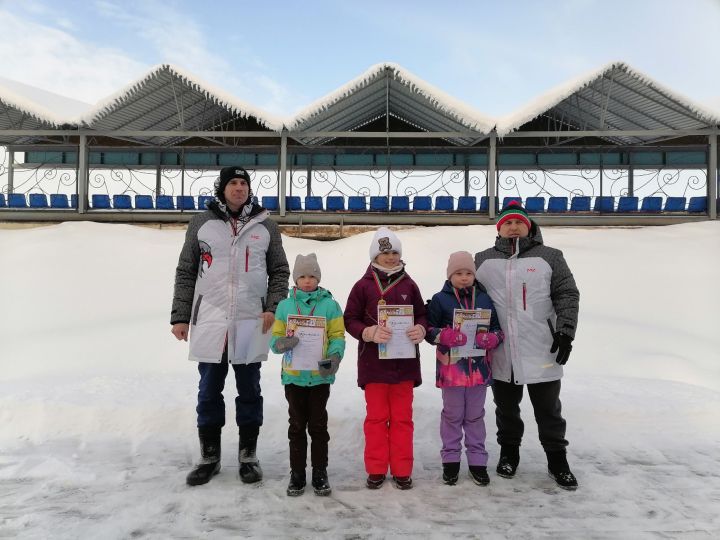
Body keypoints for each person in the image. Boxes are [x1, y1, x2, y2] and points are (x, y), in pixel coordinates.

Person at [170, 166, 290, 486]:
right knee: (209, 390)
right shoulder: (202, 223)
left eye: (243, 183)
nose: (239, 188)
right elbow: (186, 270)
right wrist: (180, 316)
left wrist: (273, 307)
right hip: (210, 318)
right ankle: (209, 456)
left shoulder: (265, 225)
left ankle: (248, 456)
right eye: (233, 183)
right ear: (222, 188)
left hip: (251, 320)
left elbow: (280, 271)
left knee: (249, 390)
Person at [474, 201, 580, 490]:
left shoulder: (551, 256)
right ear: (499, 228)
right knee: (506, 409)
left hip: (542, 349)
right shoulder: (483, 260)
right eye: (507, 222)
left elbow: (567, 294)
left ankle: (558, 460)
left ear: (529, 226)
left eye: (519, 222)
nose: (513, 226)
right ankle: (509, 453)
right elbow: (468, 295)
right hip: (501, 351)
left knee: (548, 410)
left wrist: (565, 332)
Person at [344, 227, 427, 490]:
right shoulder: (363, 286)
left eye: (394, 252)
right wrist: (366, 332)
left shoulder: (410, 284)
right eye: (385, 252)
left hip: (404, 366)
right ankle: (377, 468)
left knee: (403, 420)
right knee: (377, 419)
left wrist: (421, 328)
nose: (390, 257)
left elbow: (422, 315)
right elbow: (349, 319)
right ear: (375, 256)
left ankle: (402, 469)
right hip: (374, 366)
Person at [269, 253, 346, 497]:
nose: (307, 281)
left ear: (318, 277)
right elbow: (274, 341)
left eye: (312, 276)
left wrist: (334, 358)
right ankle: (297, 473)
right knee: (297, 425)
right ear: (295, 278)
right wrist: (283, 343)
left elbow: (337, 336)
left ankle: (320, 472)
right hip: (294, 378)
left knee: (318, 426)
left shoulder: (329, 305)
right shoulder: (285, 306)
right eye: (302, 276)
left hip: (320, 377)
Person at [425, 251, 503, 486]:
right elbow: (428, 330)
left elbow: (498, 329)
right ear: (450, 275)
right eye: (458, 273)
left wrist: (492, 339)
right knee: (452, 416)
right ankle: (450, 461)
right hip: (452, 372)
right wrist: (444, 335)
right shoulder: (440, 299)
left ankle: (478, 461)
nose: (464, 277)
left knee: (475, 416)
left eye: (468, 273)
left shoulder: (485, 299)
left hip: (479, 371)